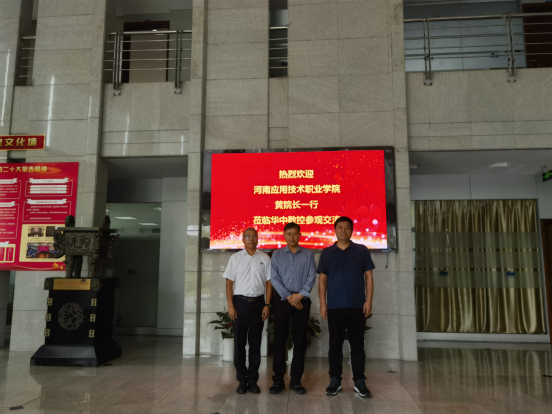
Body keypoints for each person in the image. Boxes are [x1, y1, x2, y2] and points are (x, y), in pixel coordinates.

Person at [317, 216, 375, 398]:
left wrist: (368, 301)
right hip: (334, 307)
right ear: (335, 230)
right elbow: (322, 280)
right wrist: (323, 303)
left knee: (357, 345)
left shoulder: (362, 250)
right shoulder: (327, 253)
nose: (343, 230)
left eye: (347, 227)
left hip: (357, 305)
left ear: (352, 230)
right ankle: (335, 380)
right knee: (335, 345)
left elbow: (369, 277)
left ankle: (359, 381)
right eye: (340, 227)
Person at [269, 222, 317, 395]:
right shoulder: (277, 254)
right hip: (282, 300)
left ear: (300, 235)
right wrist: (289, 297)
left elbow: (311, 277)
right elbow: (274, 277)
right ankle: (278, 379)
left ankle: (296, 379)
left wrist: (300, 295)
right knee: (279, 339)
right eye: (288, 233)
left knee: (300, 339)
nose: (292, 236)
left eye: (295, 233)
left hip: (302, 300)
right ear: (284, 235)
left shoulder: (308, 254)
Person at [223, 228, 272, 395]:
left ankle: (253, 381)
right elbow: (229, 283)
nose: (251, 238)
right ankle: (242, 380)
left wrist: (267, 305)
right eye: (248, 236)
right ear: (243, 239)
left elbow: (269, 283)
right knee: (239, 344)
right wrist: (231, 306)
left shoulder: (265, 258)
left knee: (255, 344)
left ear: (258, 238)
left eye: (254, 236)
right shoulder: (235, 258)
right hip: (240, 304)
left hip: (259, 304)